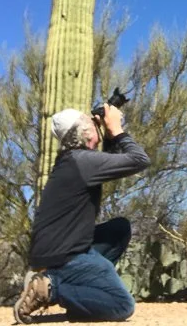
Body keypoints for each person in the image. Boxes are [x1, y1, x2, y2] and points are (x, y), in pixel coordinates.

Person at [13, 103, 150, 323]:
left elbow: (114, 163)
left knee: (119, 229)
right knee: (122, 306)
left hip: (61, 249)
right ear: (85, 133)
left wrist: (107, 135)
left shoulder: (75, 161)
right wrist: (116, 129)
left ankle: (84, 296)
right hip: (66, 256)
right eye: (91, 123)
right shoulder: (83, 162)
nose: (96, 125)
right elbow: (139, 160)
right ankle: (51, 288)